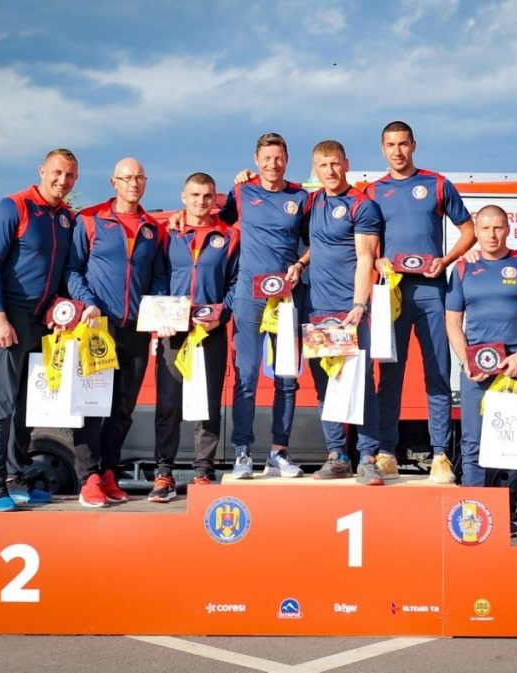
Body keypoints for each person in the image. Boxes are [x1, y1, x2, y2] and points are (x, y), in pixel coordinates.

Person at [366, 121, 476, 483]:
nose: (397, 151)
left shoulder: (437, 184)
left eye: (403, 144)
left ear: (413, 145)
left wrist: (446, 260)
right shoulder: (373, 191)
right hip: (393, 293)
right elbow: (366, 241)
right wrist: (378, 260)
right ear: (383, 149)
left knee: (437, 373)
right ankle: (386, 453)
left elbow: (470, 230)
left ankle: (440, 455)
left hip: (432, 291)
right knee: (390, 375)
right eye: (390, 145)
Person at [444, 205, 517, 546]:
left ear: (508, 230)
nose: (492, 235)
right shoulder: (463, 269)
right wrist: (465, 359)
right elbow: (452, 321)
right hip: (478, 372)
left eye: (498, 228)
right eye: (485, 228)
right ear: (476, 231)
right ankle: (471, 521)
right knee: (473, 445)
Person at [0, 148, 78, 512]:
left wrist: (63, 306)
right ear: (42, 171)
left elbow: (65, 271)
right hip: (10, 315)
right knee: (1, 404)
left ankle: (15, 478)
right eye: (57, 172)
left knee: (27, 406)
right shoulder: (13, 207)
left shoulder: (66, 217)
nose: (62, 180)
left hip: (42, 321)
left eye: (70, 175)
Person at [66, 157, 166, 508]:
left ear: (146, 182)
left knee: (122, 408)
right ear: (114, 182)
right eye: (126, 178)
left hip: (136, 330)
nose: (133, 184)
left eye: (139, 178)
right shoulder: (90, 220)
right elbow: (72, 270)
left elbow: (158, 277)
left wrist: (157, 310)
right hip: (98, 326)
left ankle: (109, 472)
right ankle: (89, 478)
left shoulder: (153, 229)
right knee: (92, 406)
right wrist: (88, 303)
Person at [219, 133, 310, 480]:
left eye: (279, 158)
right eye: (267, 159)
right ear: (256, 161)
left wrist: (299, 265)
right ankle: (242, 453)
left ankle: (279, 453)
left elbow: (315, 243)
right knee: (246, 377)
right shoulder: (241, 192)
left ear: (287, 160)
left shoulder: (300, 197)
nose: (273, 164)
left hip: (286, 297)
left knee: (286, 378)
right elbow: (214, 225)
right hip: (249, 295)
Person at [150, 173, 239, 501]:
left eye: (208, 196)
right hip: (174, 332)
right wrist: (162, 314)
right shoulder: (168, 234)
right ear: (183, 197)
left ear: (215, 199)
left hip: (210, 332)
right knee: (168, 403)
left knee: (207, 403)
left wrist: (221, 315)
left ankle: (203, 471)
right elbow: (157, 276)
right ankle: (164, 473)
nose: (201, 201)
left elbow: (235, 283)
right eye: (195, 195)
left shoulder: (228, 236)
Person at [303, 140, 385, 485]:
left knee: (360, 384)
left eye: (335, 164)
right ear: (315, 170)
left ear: (346, 164)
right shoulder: (311, 203)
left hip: (349, 310)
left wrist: (359, 304)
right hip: (316, 310)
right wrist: (299, 264)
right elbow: (313, 246)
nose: (330, 171)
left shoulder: (362, 205)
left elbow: (366, 257)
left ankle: (367, 458)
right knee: (326, 385)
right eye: (323, 165)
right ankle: (337, 455)